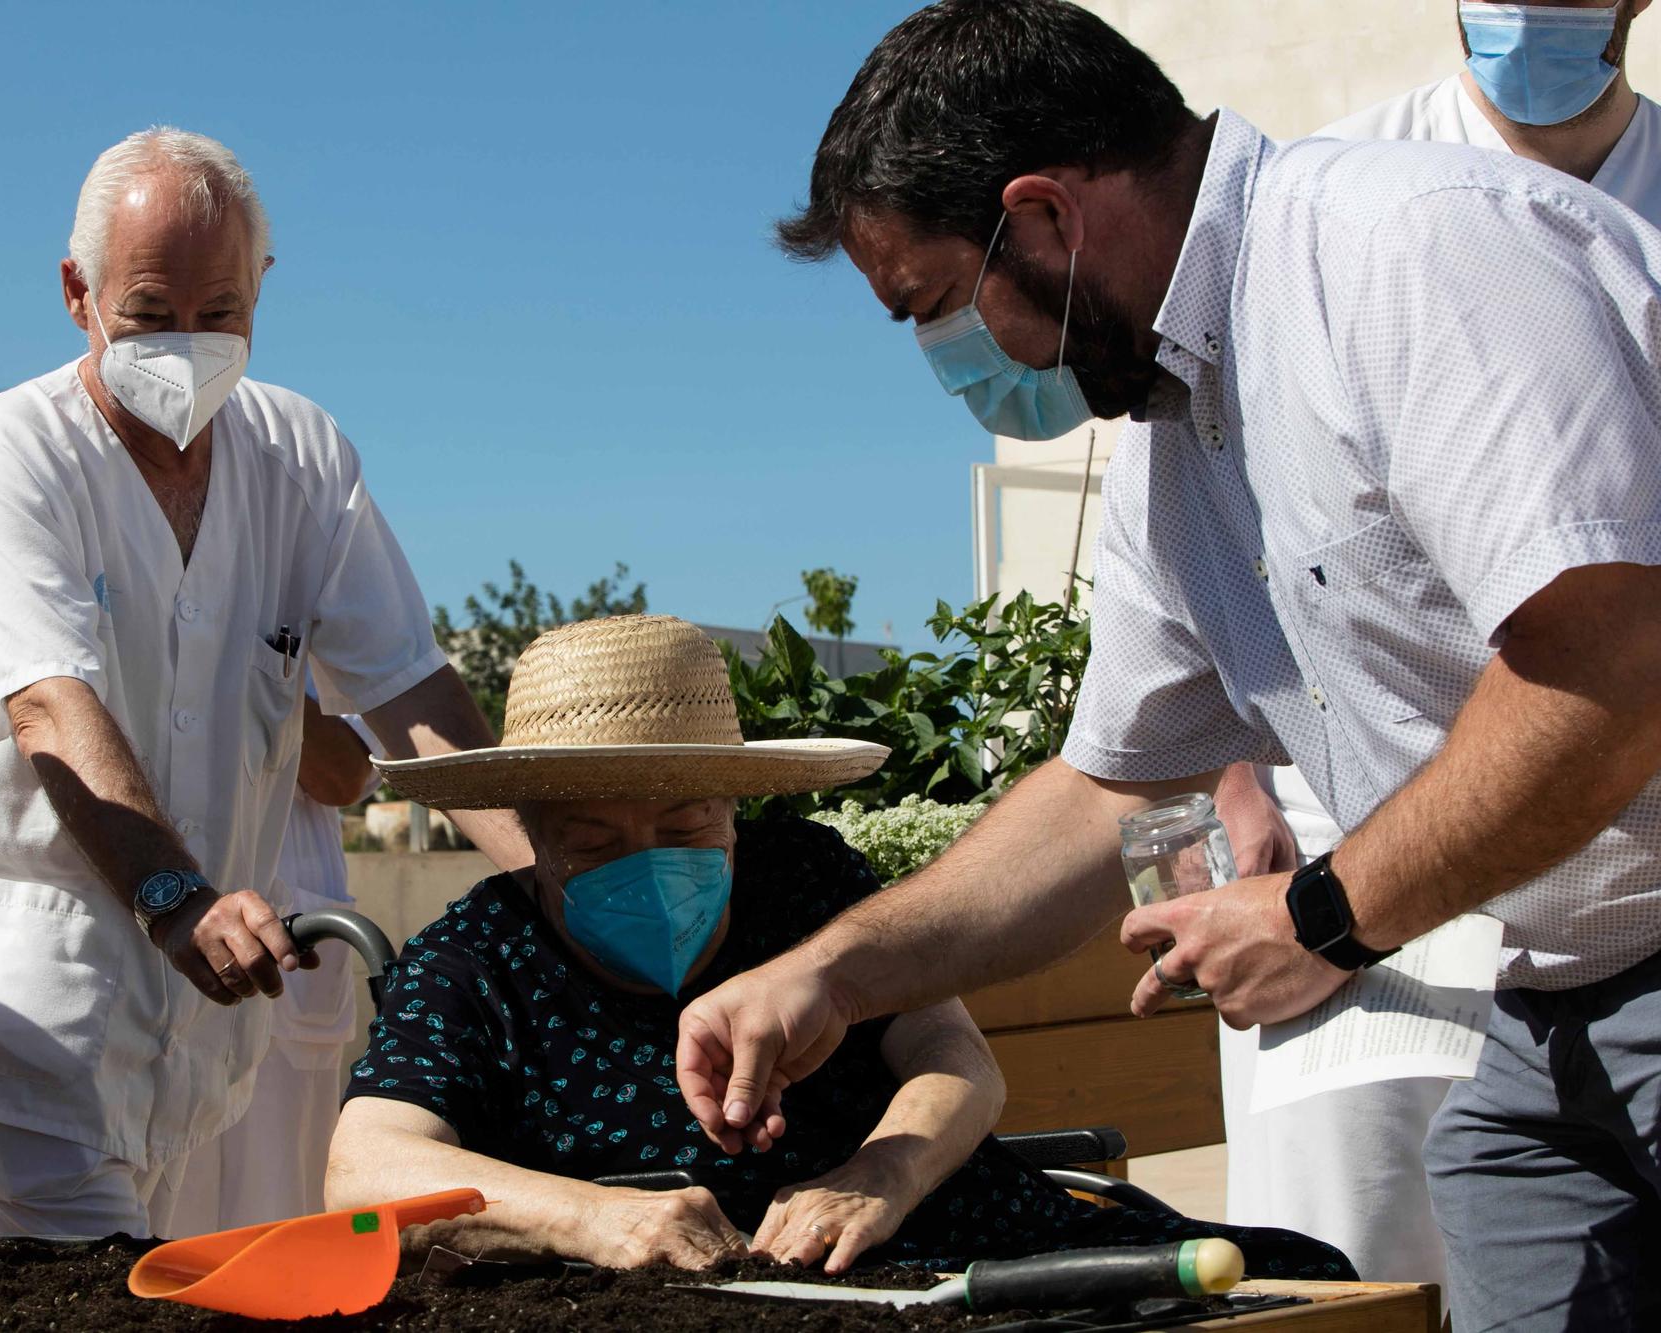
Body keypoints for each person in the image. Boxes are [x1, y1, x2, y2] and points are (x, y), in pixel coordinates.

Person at [671, 4, 1661, 1328]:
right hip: (1562, 999)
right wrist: (835, 974)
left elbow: (1609, 670)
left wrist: (1322, 912)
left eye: (934, 307)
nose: (946, 362)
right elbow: (1109, 794)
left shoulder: (1405, 253)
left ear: (1044, 220)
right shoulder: (1176, 434)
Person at [0, 127, 529, 1239]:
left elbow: (406, 689)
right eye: (149, 313)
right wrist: (170, 898)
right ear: (74, 290)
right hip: (38, 1012)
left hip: (202, 1037)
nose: (185, 345)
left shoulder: (303, 457)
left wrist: (558, 881)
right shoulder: (11, 457)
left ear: (262, 290)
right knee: (82, 1304)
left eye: (219, 312)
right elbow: (49, 702)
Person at [326, 615, 1350, 1279]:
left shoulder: (803, 881)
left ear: (736, 806)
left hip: (953, 1244)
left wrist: (881, 1174)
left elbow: (955, 1064)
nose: (645, 860)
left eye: (684, 828)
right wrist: (595, 1222)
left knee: (1300, 1272)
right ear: (531, 833)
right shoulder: (477, 955)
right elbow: (362, 1166)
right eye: (593, 842)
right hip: (711, 1299)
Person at [1210, 0, 1660, 1293]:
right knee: (1356, 1240)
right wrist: (1242, 790)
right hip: (1363, 846)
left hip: (1614, 855)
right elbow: (1219, 540)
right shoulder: (1355, 200)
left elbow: (1603, 661)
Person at [179, 679, 382, 1226]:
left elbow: (342, 773)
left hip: (283, 952)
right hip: (144, 932)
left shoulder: (321, 611)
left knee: (280, 1209)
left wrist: (261, 667)